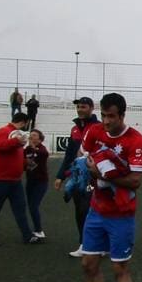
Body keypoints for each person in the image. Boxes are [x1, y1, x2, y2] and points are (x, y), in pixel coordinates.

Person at [68, 93, 142, 282]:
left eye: (111, 116)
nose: (106, 121)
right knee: (89, 264)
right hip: (97, 210)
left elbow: (136, 181)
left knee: (119, 268)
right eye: (103, 115)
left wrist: (101, 175)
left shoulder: (136, 140)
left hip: (121, 215)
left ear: (122, 115)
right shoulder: (93, 132)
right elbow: (83, 159)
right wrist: (82, 171)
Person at [54, 97, 102, 257]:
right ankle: (84, 244)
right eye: (78, 107)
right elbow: (69, 155)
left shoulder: (99, 127)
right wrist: (61, 176)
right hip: (77, 177)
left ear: (91, 108)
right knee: (80, 210)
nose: (80, 109)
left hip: (93, 177)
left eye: (83, 106)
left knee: (89, 209)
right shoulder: (75, 129)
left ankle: (96, 244)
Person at [0, 112, 39, 246]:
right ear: (24, 122)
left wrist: (26, 163)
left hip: (14, 179)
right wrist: (16, 141)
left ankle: (27, 236)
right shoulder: (4, 131)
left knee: (20, 208)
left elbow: (14, 154)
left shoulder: (16, 134)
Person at [24, 129, 50, 240]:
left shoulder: (42, 149)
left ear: (39, 139)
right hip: (30, 181)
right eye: (30, 135)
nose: (31, 137)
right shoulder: (27, 149)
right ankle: (36, 229)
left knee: (34, 205)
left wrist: (33, 148)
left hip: (41, 182)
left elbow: (43, 155)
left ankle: (39, 230)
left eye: (34, 135)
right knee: (30, 206)